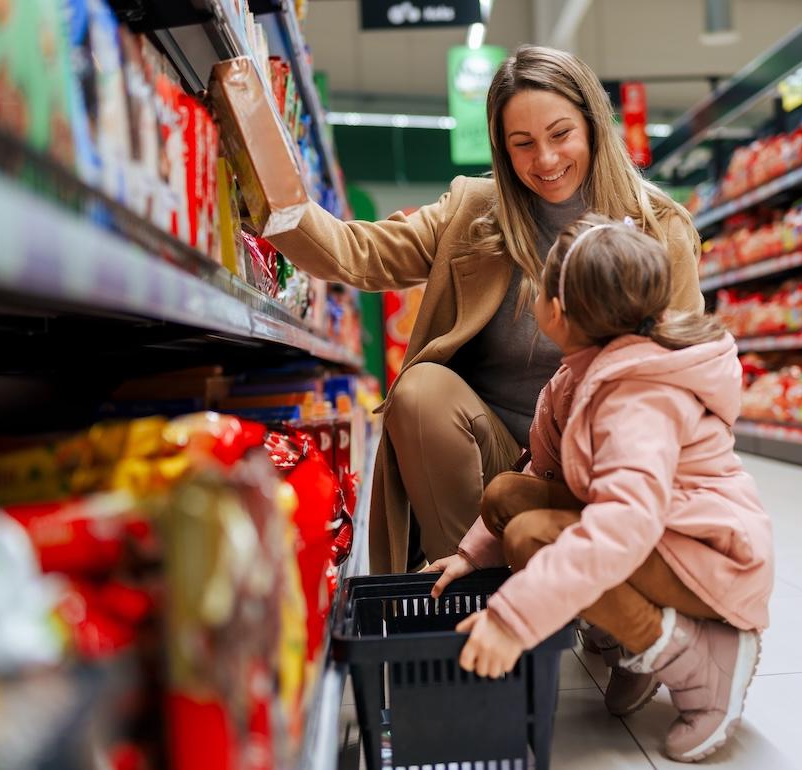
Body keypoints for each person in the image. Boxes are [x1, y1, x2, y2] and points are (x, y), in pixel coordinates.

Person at [266, 45, 704, 574]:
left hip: (601, 462)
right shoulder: (474, 212)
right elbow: (360, 254)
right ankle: (466, 592)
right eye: (523, 144)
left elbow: (684, 374)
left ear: (592, 124)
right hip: (498, 460)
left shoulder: (661, 230)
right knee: (420, 390)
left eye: (561, 134)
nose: (545, 160)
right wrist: (268, 190)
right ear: (502, 149)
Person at [426, 215, 774, 763]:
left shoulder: (635, 396)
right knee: (508, 498)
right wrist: (470, 556)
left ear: (557, 312)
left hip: (711, 558)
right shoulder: (578, 377)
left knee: (537, 537)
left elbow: (621, 527)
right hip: (666, 536)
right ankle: (631, 643)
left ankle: (704, 660)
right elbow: (541, 476)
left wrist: (511, 619)